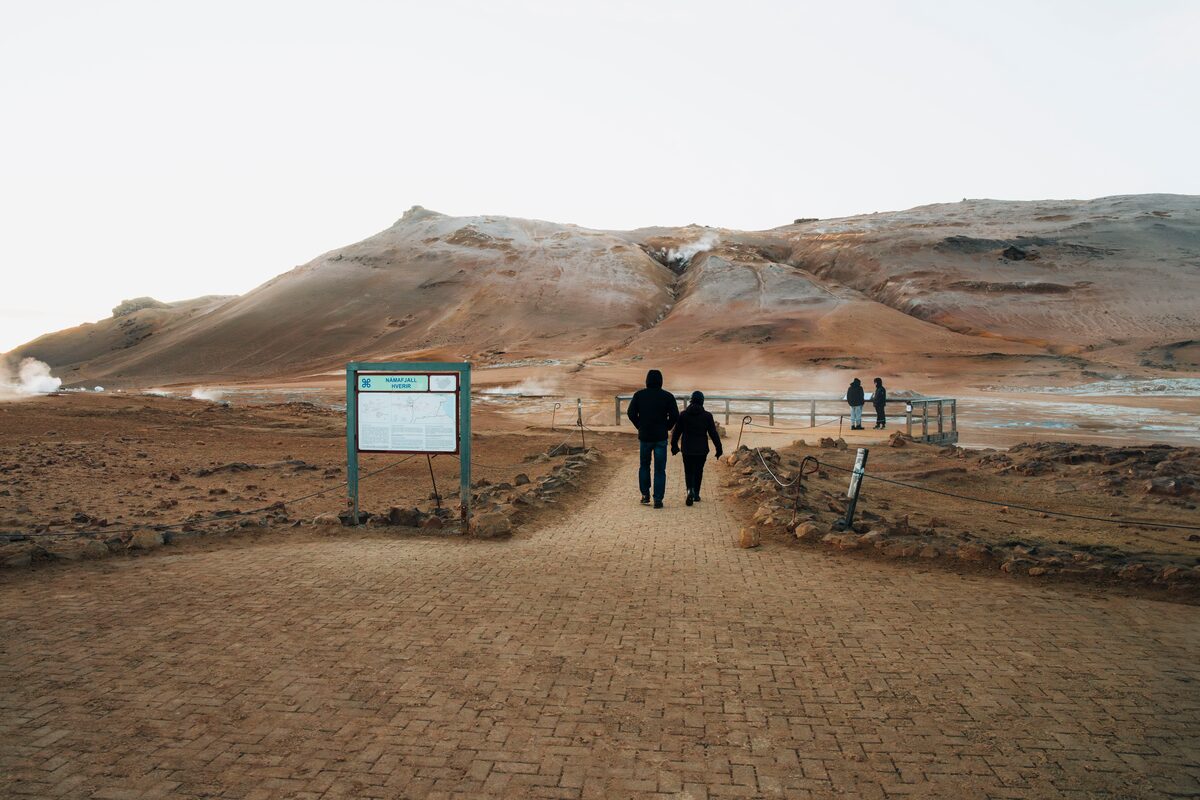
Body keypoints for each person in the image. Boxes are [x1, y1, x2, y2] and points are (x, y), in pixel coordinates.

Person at [625, 369, 679, 508]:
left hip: (645, 437)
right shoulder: (668, 396)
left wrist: (640, 425)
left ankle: (645, 495)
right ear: (661, 381)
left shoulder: (639, 395)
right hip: (660, 437)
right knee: (660, 469)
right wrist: (667, 427)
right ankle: (658, 499)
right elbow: (675, 415)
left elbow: (630, 413)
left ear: (647, 380)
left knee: (644, 466)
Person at [671, 391, 723, 506]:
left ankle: (690, 490)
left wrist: (674, 445)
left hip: (687, 448)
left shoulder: (683, 415)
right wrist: (719, 448)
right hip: (701, 449)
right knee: (698, 471)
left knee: (688, 470)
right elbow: (713, 433)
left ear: (691, 400)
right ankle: (696, 494)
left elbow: (676, 432)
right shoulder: (707, 416)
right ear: (702, 401)